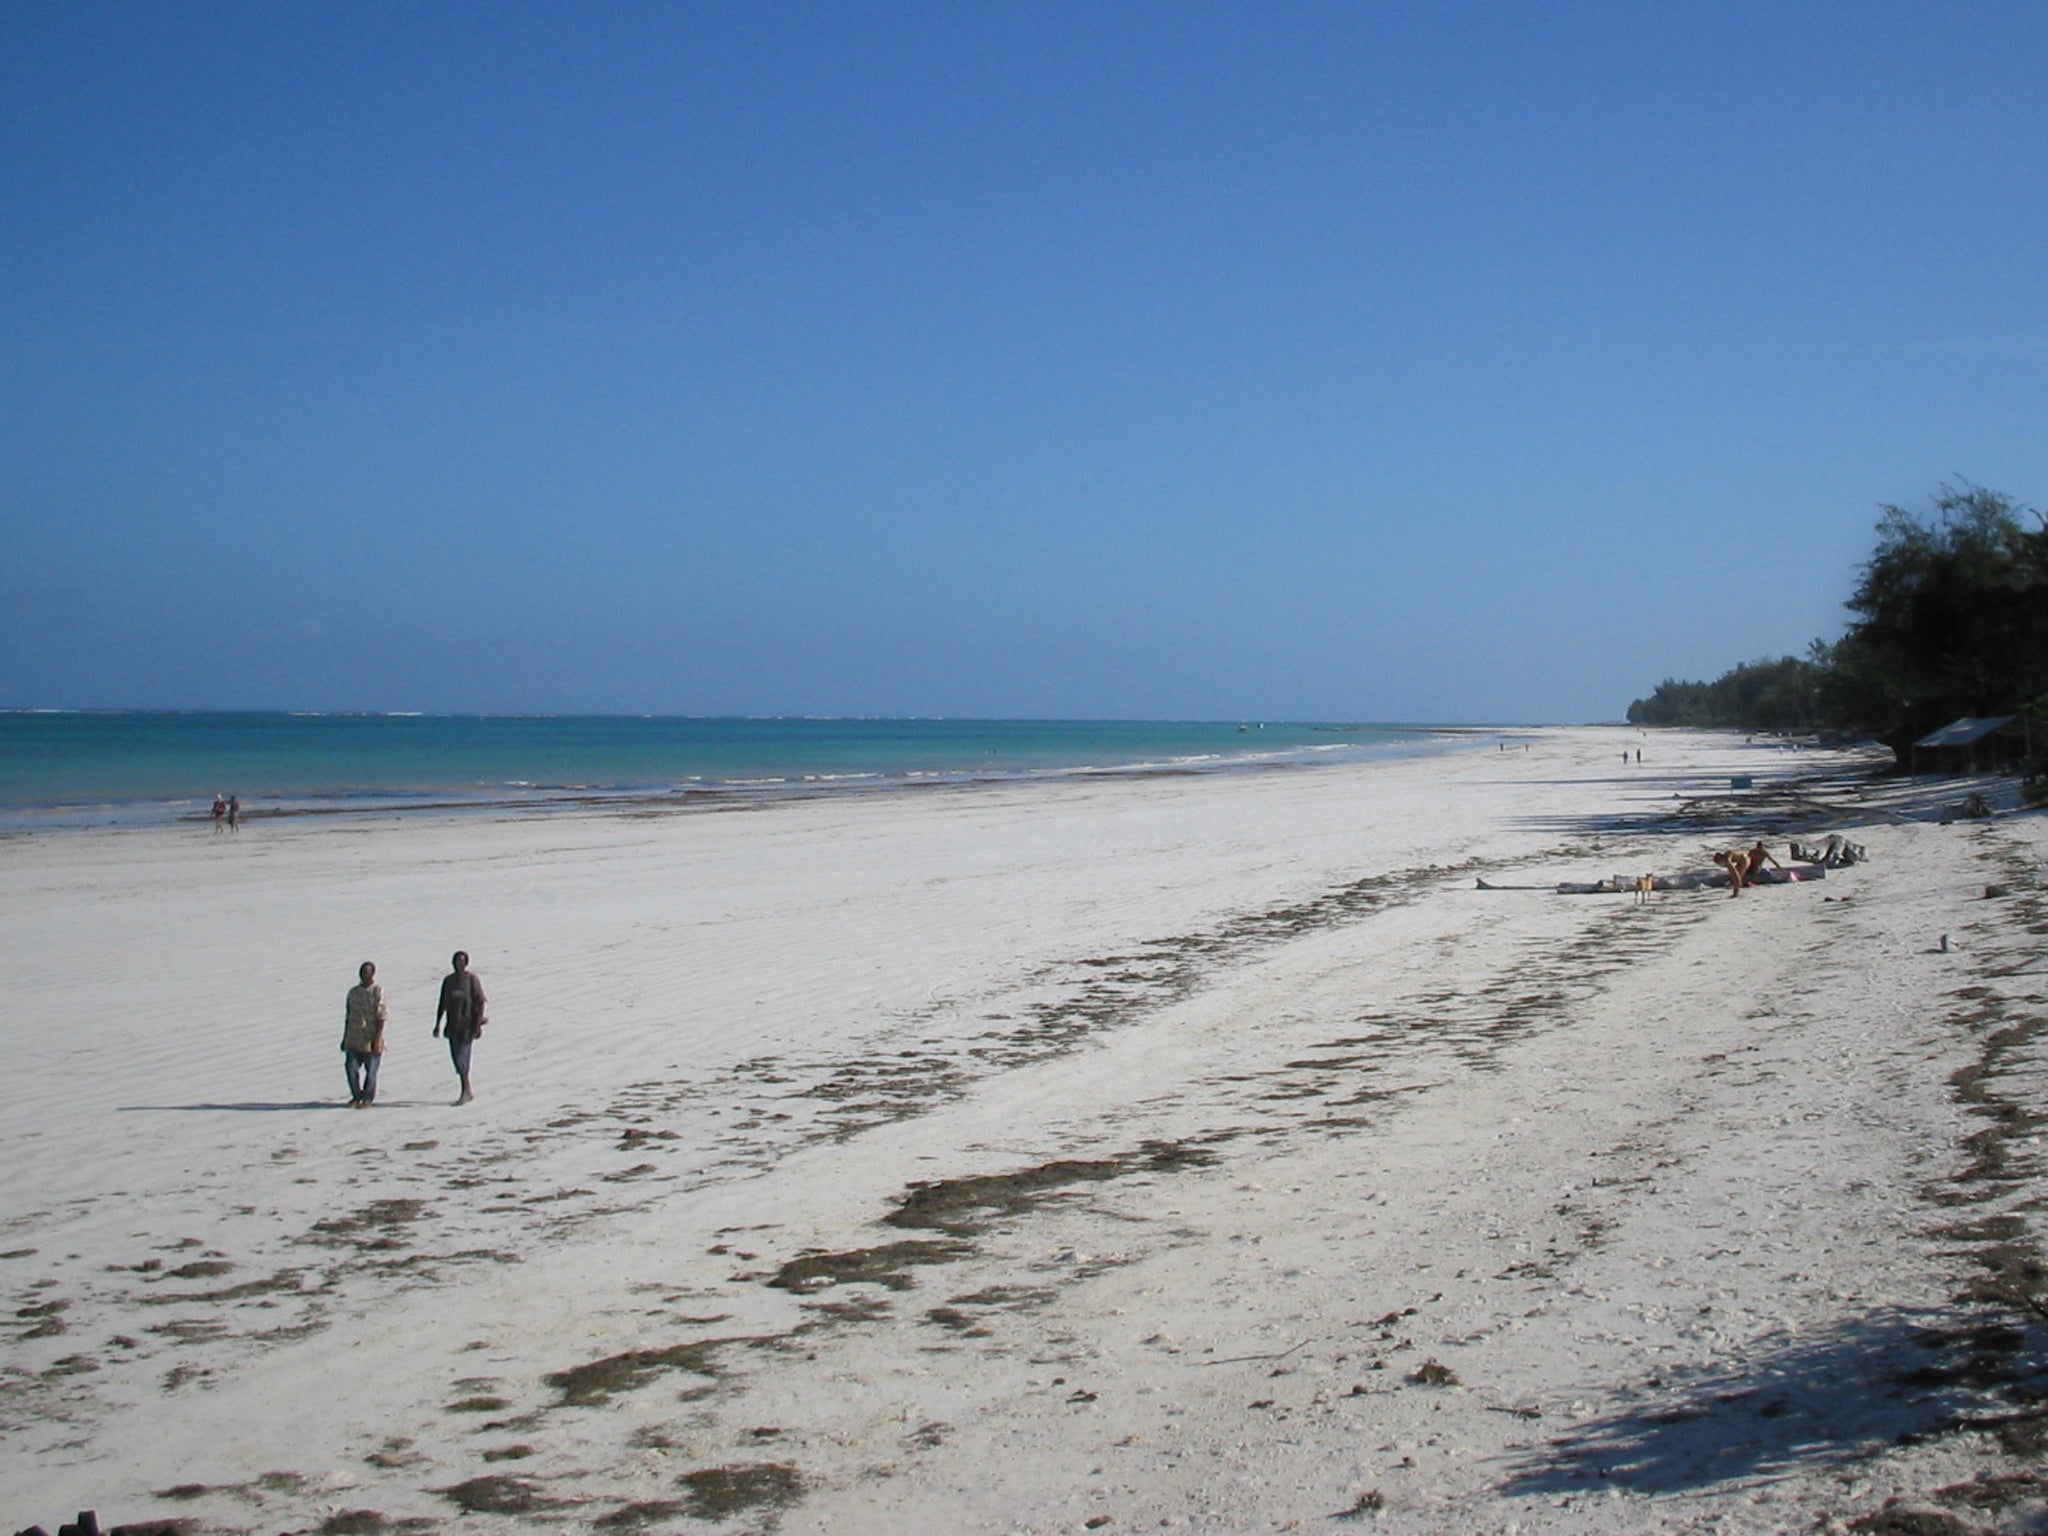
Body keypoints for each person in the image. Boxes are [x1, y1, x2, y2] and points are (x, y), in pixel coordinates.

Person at [434, 950, 487, 1106]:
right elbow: (442, 1003)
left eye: (462, 961)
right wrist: (437, 1024)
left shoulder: (471, 980)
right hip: (452, 1025)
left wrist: (477, 1026)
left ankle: (466, 1090)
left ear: (466, 963)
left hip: (467, 1025)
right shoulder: (449, 981)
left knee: (463, 1057)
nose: (459, 964)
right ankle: (467, 1089)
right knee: (456, 1058)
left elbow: (480, 1001)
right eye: (456, 961)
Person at [342, 961, 387, 1107]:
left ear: (373, 973)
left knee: (371, 1072)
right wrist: (344, 1038)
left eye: (366, 971)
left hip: (371, 1039)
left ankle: (368, 1099)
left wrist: (377, 1039)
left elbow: (381, 1017)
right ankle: (356, 1095)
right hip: (354, 1038)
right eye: (362, 971)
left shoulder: (378, 992)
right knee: (351, 1067)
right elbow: (348, 1016)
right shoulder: (353, 992)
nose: (363, 974)